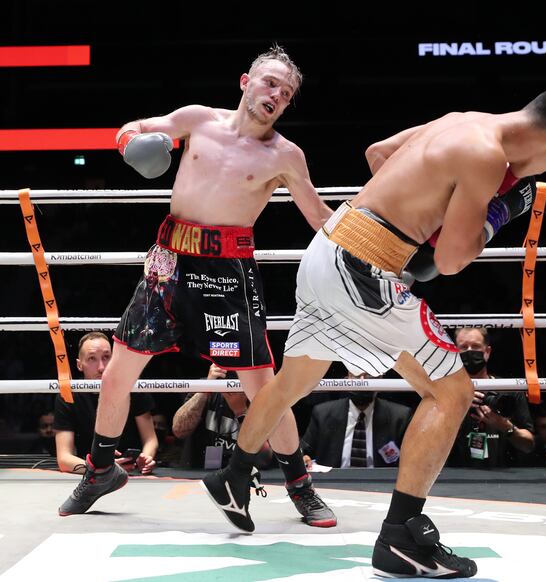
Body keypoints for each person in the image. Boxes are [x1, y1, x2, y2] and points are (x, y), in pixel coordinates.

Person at [202, 84, 546, 578]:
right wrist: (500, 212)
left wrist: (412, 214)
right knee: (452, 392)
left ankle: (235, 473)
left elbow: (378, 154)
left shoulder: (462, 116)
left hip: (329, 247)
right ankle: (401, 535)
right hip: (363, 270)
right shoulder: (487, 157)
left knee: (293, 382)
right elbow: (452, 261)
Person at [58, 47, 337, 528]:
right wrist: (129, 143)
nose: (277, 96)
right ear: (246, 80)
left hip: (227, 273)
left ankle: (299, 484)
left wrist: (371, 244)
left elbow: (320, 218)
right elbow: (136, 127)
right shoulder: (198, 119)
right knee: (117, 374)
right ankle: (100, 470)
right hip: (169, 261)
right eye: (271, 83)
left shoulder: (286, 155)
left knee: (263, 388)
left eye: (287, 94)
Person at [54, 332, 157, 476]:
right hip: (92, 477)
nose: (101, 367)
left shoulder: (132, 387)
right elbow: (64, 459)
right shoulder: (68, 395)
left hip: (134, 474)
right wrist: (100, 468)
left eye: (106, 357)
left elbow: (150, 439)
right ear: (79, 365)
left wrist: (146, 458)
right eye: (92, 359)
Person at [447, 327, 534, 468]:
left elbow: (528, 445)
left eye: (475, 346)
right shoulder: (442, 392)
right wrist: (456, 408)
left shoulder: (509, 390)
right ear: (455, 353)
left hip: (504, 479)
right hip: (455, 477)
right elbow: (425, 445)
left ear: (487, 352)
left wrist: (504, 425)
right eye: (463, 347)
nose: (469, 351)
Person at [172, 364, 272, 469]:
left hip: (247, 474)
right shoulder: (206, 385)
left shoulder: (263, 394)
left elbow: (264, 459)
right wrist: (205, 389)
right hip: (200, 471)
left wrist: (241, 412)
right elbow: (179, 430)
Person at [301, 383, 412, 469]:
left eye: (368, 376)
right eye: (357, 375)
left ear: (380, 378)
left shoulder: (399, 416)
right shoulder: (323, 413)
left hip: (383, 486)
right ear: (347, 379)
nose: (362, 381)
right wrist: (304, 458)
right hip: (333, 484)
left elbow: (412, 461)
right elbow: (304, 451)